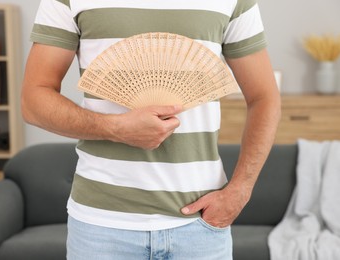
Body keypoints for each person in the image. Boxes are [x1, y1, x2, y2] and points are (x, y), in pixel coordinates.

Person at [22, 0, 281, 259]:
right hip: (100, 227)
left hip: (199, 227)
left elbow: (264, 97)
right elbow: (33, 101)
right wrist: (116, 128)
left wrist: (240, 190)